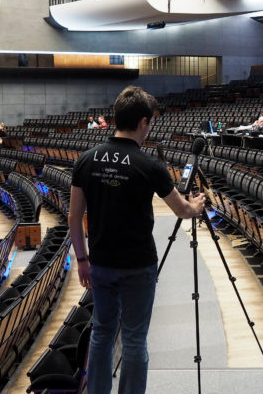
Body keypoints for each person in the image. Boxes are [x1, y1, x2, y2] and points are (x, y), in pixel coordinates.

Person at [68, 86, 205, 394]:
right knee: (134, 338)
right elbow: (182, 210)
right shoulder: (150, 166)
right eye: (151, 122)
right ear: (143, 122)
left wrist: (82, 260)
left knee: (102, 333)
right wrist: (196, 206)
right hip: (138, 266)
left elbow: (74, 217)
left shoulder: (86, 160)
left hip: (100, 263)